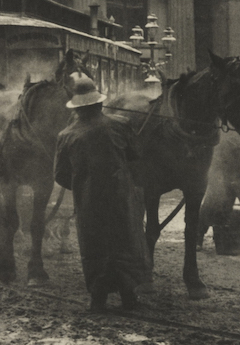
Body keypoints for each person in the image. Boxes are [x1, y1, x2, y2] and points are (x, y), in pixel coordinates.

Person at [54, 75, 151, 312]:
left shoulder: (66, 136)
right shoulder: (120, 124)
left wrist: (82, 185)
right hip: (120, 197)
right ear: (99, 103)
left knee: (94, 247)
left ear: (77, 108)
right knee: (124, 243)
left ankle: (98, 300)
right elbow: (136, 154)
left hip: (88, 202)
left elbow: (60, 175)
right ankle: (129, 297)